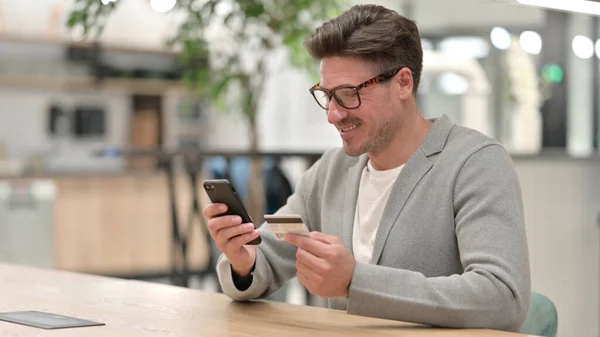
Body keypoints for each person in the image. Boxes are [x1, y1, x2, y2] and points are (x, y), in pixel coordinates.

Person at [203, 4, 531, 333]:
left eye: (348, 94)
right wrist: (245, 263)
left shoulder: (476, 164)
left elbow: (502, 298)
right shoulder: (330, 172)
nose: (333, 114)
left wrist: (355, 281)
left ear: (403, 83)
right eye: (327, 95)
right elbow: (271, 253)